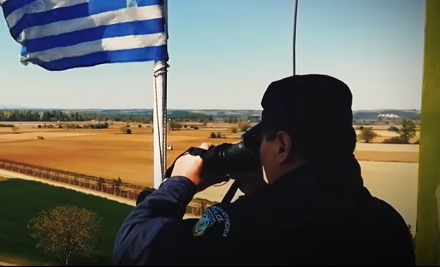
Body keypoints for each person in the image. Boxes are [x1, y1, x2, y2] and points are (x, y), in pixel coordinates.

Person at [113, 74, 415, 266]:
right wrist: (260, 192)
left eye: (262, 140)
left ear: (282, 145)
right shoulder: (387, 224)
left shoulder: (244, 227)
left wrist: (179, 182)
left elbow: (131, 246)